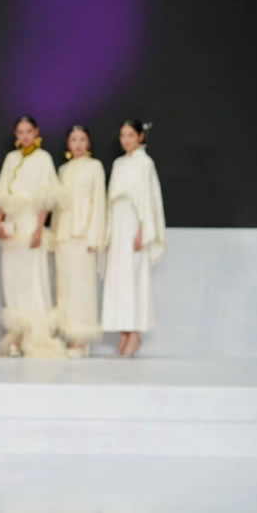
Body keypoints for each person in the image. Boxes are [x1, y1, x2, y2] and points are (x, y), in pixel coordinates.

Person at [0, 115, 63, 357]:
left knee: (33, 278)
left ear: (36, 132)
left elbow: (47, 197)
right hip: (12, 226)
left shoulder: (43, 159)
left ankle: (36, 334)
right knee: (13, 277)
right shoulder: (11, 158)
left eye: (28, 131)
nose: (24, 136)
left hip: (31, 223)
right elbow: (2, 192)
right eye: (20, 132)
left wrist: (39, 229)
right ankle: (17, 334)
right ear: (16, 135)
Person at [101, 120, 165, 357]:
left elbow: (147, 199)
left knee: (134, 278)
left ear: (140, 136)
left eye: (130, 135)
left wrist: (142, 231)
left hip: (134, 225)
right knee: (118, 279)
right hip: (118, 224)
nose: (126, 140)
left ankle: (135, 334)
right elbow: (111, 199)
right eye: (123, 135)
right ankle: (124, 332)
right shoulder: (119, 164)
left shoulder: (144, 163)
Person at [51, 125, 106, 357]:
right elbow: (57, 206)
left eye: (82, 139)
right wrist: (54, 236)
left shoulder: (95, 167)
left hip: (84, 236)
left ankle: (82, 338)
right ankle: (68, 333)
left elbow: (99, 202)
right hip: (64, 235)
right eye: (74, 140)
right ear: (68, 143)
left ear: (89, 143)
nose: (78, 144)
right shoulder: (63, 170)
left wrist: (95, 237)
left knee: (83, 288)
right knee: (65, 287)